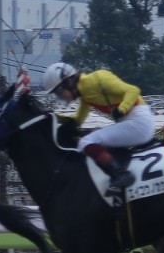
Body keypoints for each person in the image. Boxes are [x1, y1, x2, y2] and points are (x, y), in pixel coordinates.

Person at [42, 62, 154, 194]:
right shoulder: (85, 95)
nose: (60, 97)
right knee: (88, 139)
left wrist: (122, 109)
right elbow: (77, 120)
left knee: (86, 142)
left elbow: (133, 90)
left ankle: (121, 175)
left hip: (139, 121)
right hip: (133, 121)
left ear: (68, 81)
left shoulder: (99, 79)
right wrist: (54, 117)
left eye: (59, 92)